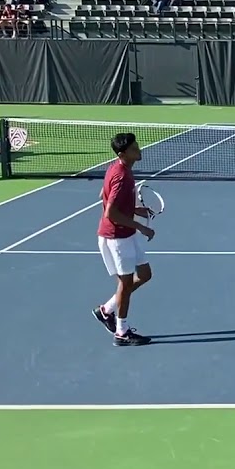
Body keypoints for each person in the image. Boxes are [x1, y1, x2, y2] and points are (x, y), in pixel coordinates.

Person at [92, 132, 156, 346]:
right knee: (125, 284)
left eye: (137, 145)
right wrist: (141, 227)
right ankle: (122, 332)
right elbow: (111, 212)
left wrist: (135, 209)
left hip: (127, 234)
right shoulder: (120, 176)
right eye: (134, 148)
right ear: (123, 153)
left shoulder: (119, 168)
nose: (139, 150)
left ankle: (106, 310)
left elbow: (103, 194)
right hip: (117, 238)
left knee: (145, 274)